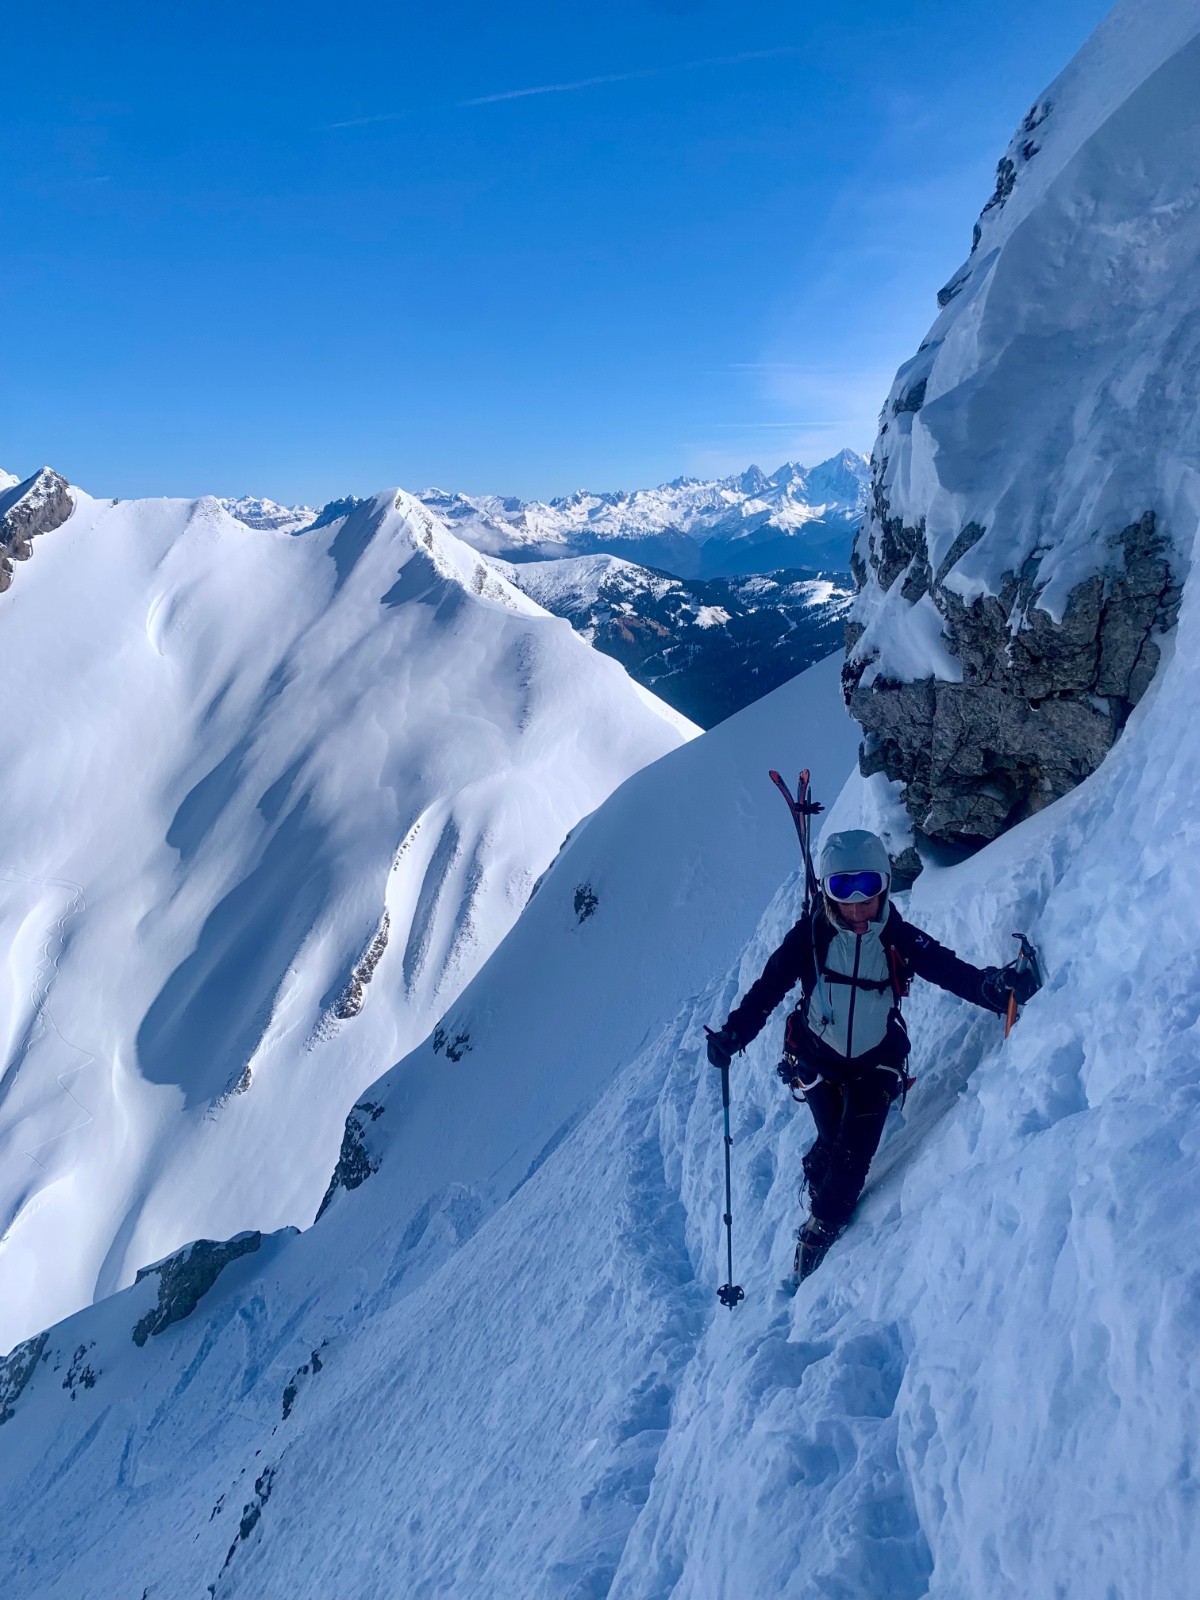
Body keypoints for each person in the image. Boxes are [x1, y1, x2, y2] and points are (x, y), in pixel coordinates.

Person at [706, 829, 1039, 1279]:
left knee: (853, 1153)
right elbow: (768, 989)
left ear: (884, 885)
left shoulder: (895, 935)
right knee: (831, 1139)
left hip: (876, 1063)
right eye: (844, 890)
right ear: (827, 891)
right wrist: (733, 1034)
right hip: (816, 1059)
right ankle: (816, 1169)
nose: (859, 904)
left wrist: (991, 989)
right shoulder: (810, 937)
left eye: (869, 889)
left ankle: (821, 1227)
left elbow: (944, 967)